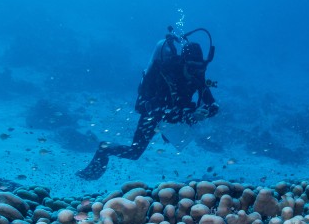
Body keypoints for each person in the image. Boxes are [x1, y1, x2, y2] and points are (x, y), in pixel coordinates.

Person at [77, 28, 220, 180]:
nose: (194, 73)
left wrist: (208, 111)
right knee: (134, 152)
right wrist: (189, 115)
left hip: (177, 116)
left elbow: (213, 104)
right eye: (191, 68)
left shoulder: (197, 76)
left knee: (171, 134)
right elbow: (160, 110)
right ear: (183, 62)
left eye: (200, 68)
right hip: (152, 113)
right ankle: (102, 151)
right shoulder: (165, 74)